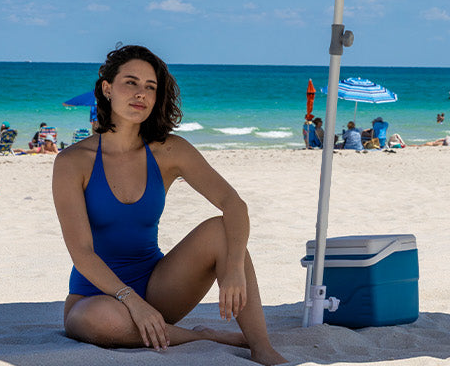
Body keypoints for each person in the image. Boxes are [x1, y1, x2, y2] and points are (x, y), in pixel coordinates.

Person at [52, 45, 284, 364]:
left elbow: (234, 205)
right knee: (100, 320)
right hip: (95, 296)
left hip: (159, 286)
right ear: (107, 89)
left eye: (150, 87)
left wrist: (232, 268)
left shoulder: (169, 151)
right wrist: (130, 300)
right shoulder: (72, 162)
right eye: (131, 82)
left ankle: (262, 348)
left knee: (221, 230)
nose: (141, 94)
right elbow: (81, 252)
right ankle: (203, 335)